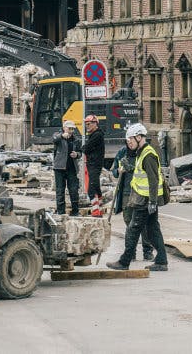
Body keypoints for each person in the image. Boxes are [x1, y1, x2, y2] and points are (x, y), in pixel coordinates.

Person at [108, 123, 168, 271]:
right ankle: (161, 261)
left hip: (145, 200)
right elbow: (142, 175)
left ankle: (124, 262)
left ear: (139, 137)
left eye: (131, 140)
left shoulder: (148, 155)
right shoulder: (142, 153)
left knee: (133, 229)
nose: (129, 143)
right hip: (144, 199)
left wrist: (153, 202)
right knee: (153, 230)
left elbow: (153, 180)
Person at [111, 132, 155, 261]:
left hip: (140, 192)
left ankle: (147, 251)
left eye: (132, 140)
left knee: (143, 222)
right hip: (126, 191)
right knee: (129, 222)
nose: (130, 143)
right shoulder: (122, 153)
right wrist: (118, 171)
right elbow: (114, 170)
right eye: (128, 141)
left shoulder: (143, 152)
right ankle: (131, 252)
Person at [53, 119, 82, 215]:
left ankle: (75, 211)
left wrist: (77, 154)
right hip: (59, 167)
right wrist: (61, 136)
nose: (71, 131)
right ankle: (61, 212)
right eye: (70, 129)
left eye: (73, 129)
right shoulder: (58, 136)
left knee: (74, 190)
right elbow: (54, 139)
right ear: (65, 128)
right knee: (60, 190)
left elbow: (80, 152)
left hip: (71, 168)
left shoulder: (76, 140)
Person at [81, 114, 105, 215]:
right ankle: (100, 205)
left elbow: (86, 148)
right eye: (86, 124)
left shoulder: (96, 135)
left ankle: (96, 210)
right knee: (96, 185)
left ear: (95, 124)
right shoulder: (94, 135)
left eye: (89, 124)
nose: (87, 126)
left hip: (94, 164)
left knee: (91, 188)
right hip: (94, 163)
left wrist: (83, 148)